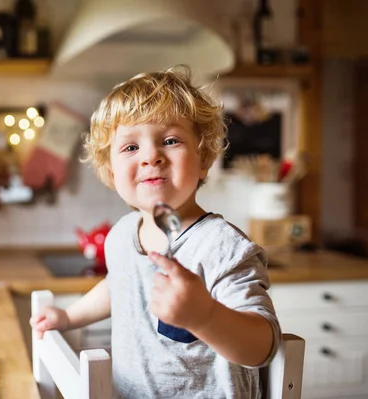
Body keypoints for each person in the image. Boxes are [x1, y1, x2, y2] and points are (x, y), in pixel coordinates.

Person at [29, 66, 281, 399]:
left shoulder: (222, 246)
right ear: (110, 170)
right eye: (130, 148)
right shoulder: (122, 234)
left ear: (203, 158)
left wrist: (205, 316)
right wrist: (68, 316)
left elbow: (262, 345)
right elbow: (117, 285)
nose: (151, 156)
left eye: (171, 140)